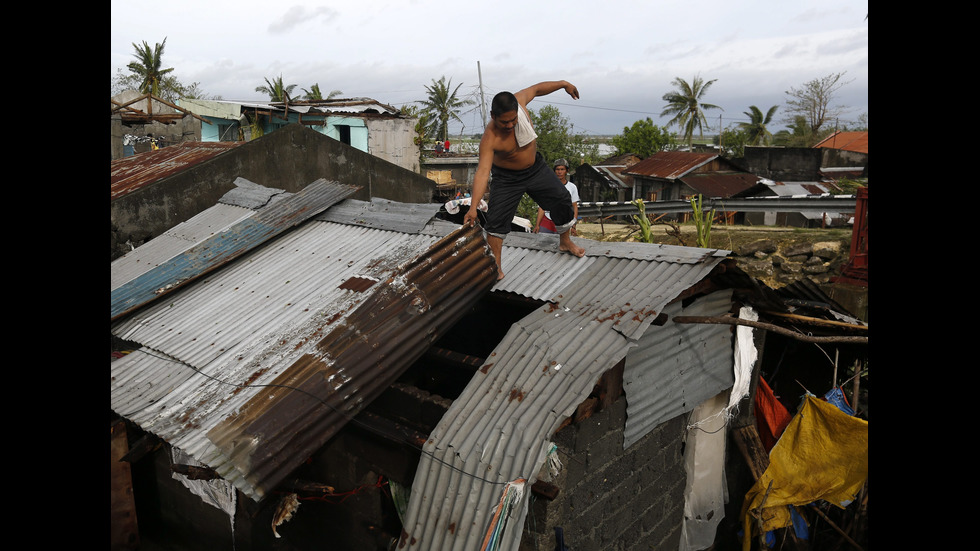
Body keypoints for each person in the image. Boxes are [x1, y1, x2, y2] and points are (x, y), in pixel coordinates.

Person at [464, 80, 586, 280]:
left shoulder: (519, 102)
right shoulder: (490, 138)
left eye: (513, 120)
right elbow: (483, 172)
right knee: (495, 222)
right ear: (493, 116)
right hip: (507, 178)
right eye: (505, 122)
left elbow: (537, 89)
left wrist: (563, 84)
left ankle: (565, 241)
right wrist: (473, 207)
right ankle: (496, 268)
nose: (511, 125)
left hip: (535, 169)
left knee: (562, 199)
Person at [534, 159, 579, 235]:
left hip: (563, 221)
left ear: (567, 171)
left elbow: (574, 207)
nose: (560, 172)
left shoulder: (572, 187)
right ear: (554, 171)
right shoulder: (547, 186)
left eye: (562, 169)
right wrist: (537, 225)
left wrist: (573, 225)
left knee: (560, 244)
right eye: (557, 169)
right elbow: (542, 207)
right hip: (548, 219)